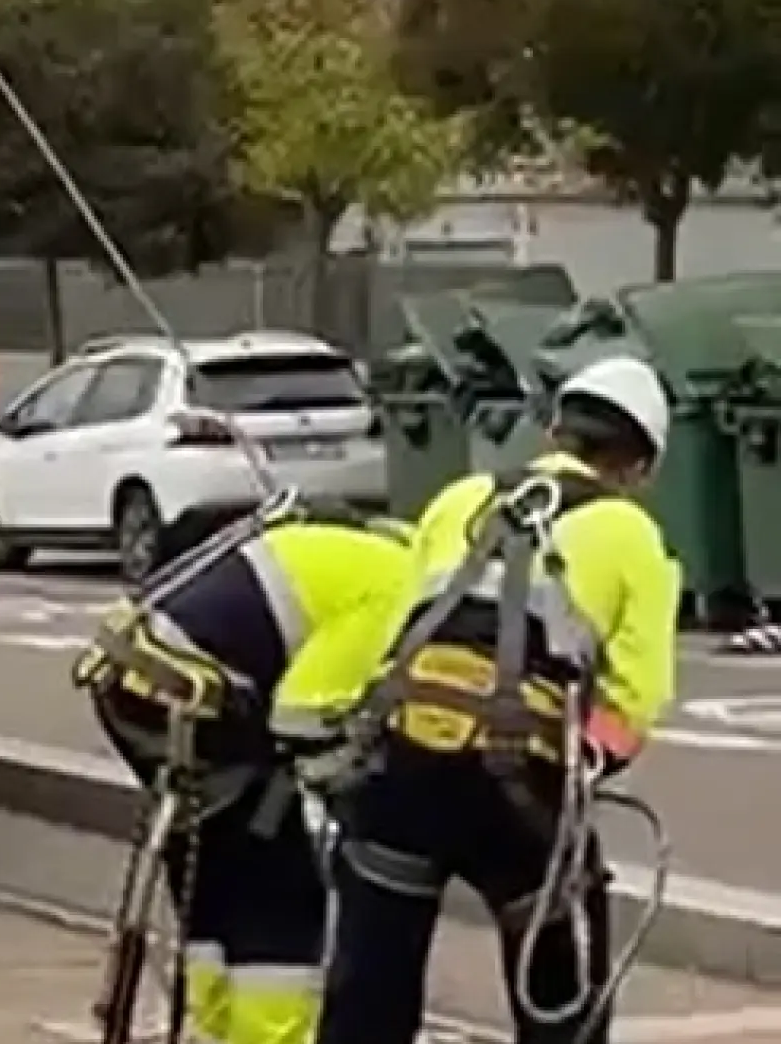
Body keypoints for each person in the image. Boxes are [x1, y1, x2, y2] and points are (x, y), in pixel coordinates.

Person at [274, 355, 682, 1044]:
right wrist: (580, 772)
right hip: (518, 787)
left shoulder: (459, 498)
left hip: (404, 766)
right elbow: (636, 700)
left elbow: (396, 631)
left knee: (368, 993)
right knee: (561, 980)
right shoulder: (632, 535)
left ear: (553, 434)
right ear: (639, 468)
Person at [74, 503, 412, 1044]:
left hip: (132, 677)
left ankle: (214, 1024)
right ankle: (271, 1034)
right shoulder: (401, 592)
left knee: (215, 867)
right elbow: (303, 717)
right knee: (277, 882)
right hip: (193, 695)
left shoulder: (359, 555)